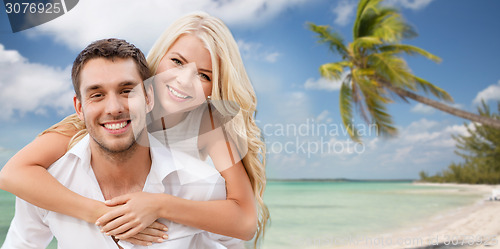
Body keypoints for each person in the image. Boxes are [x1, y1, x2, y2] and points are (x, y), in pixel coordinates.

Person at [0, 12, 269, 248]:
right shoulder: (106, 118)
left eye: (204, 75)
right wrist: (101, 213)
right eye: (177, 61)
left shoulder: (208, 124)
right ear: (158, 58)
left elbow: (244, 221)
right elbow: (12, 173)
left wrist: (159, 205)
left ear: (214, 90)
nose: (184, 80)